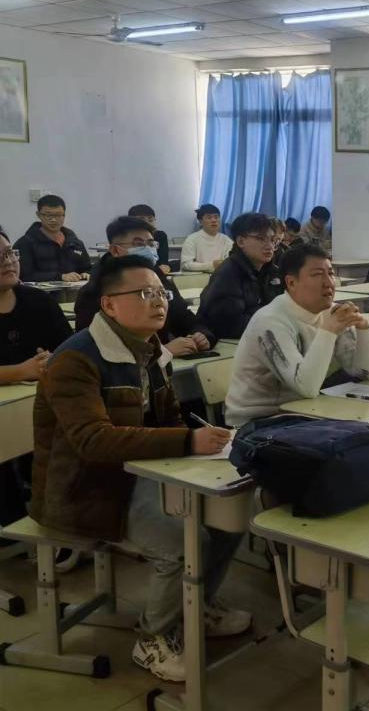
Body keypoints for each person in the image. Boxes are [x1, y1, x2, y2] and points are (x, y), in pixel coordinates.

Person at [30, 255, 250, 682]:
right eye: (145, 293)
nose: (159, 301)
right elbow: (93, 442)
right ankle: (153, 637)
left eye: (161, 292)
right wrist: (187, 442)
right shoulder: (75, 360)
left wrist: (199, 442)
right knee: (180, 542)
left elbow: (168, 419)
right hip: (84, 490)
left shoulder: (151, 350)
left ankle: (197, 606)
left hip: (136, 473)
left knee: (228, 519)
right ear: (109, 305)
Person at [225, 243, 369, 427]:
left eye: (330, 273)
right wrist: (328, 331)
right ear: (291, 283)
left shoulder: (331, 313)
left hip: (306, 411)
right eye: (317, 274)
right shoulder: (270, 322)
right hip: (259, 422)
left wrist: (364, 330)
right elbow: (306, 387)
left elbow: (366, 373)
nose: (328, 282)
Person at [0, 226, 73, 530]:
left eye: (9, 253)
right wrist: (23, 371)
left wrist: (51, 361)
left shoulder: (37, 301)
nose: (8, 262)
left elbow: (69, 348)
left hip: (41, 401)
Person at [75, 216, 216, 357]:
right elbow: (96, 349)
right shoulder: (95, 290)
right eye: (138, 244)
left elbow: (183, 316)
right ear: (115, 250)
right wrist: (162, 352)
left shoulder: (156, 277)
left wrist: (201, 335)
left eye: (151, 244)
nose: (148, 249)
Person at [197, 213, 283, 340]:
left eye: (272, 240)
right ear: (241, 241)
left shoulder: (273, 272)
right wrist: (275, 322)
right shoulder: (228, 273)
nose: (269, 246)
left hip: (263, 336)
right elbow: (231, 325)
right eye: (261, 239)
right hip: (229, 342)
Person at [13, 194, 92, 282]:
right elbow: (23, 275)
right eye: (48, 215)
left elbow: (88, 268)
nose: (53, 220)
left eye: (58, 215)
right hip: (40, 290)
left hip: (75, 289)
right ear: (38, 215)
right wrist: (60, 277)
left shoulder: (75, 242)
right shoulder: (25, 243)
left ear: (64, 215)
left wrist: (86, 273)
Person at [180, 204, 233, 273]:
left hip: (220, 276)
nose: (213, 220)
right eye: (209, 217)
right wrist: (211, 265)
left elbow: (231, 262)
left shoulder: (226, 240)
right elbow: (186, 264)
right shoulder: (192, 239)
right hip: (197, 277)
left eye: (216, 217)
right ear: (200, 222)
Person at [127, 204, 171, 274]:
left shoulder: (160, 235)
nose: (147, 223)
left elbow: (163, 263)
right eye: (141, 220)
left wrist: (163, 268)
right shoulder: (126, 237)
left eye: (150, 220)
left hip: (156, 274)